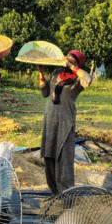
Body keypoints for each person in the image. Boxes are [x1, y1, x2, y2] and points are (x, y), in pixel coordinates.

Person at [38, 50, 93, 195]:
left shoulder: (77, 79)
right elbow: (45, 93)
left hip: (65, 120)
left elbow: (87, 80)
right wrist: (40, 74)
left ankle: (67, 194)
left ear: (77, 63)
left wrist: (73, 67)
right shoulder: (56, 72)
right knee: (49, 155)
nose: (67, 60)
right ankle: (55, 192)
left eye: (72, 59)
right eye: (67, 57)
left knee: (64, 157)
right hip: (50, 119)